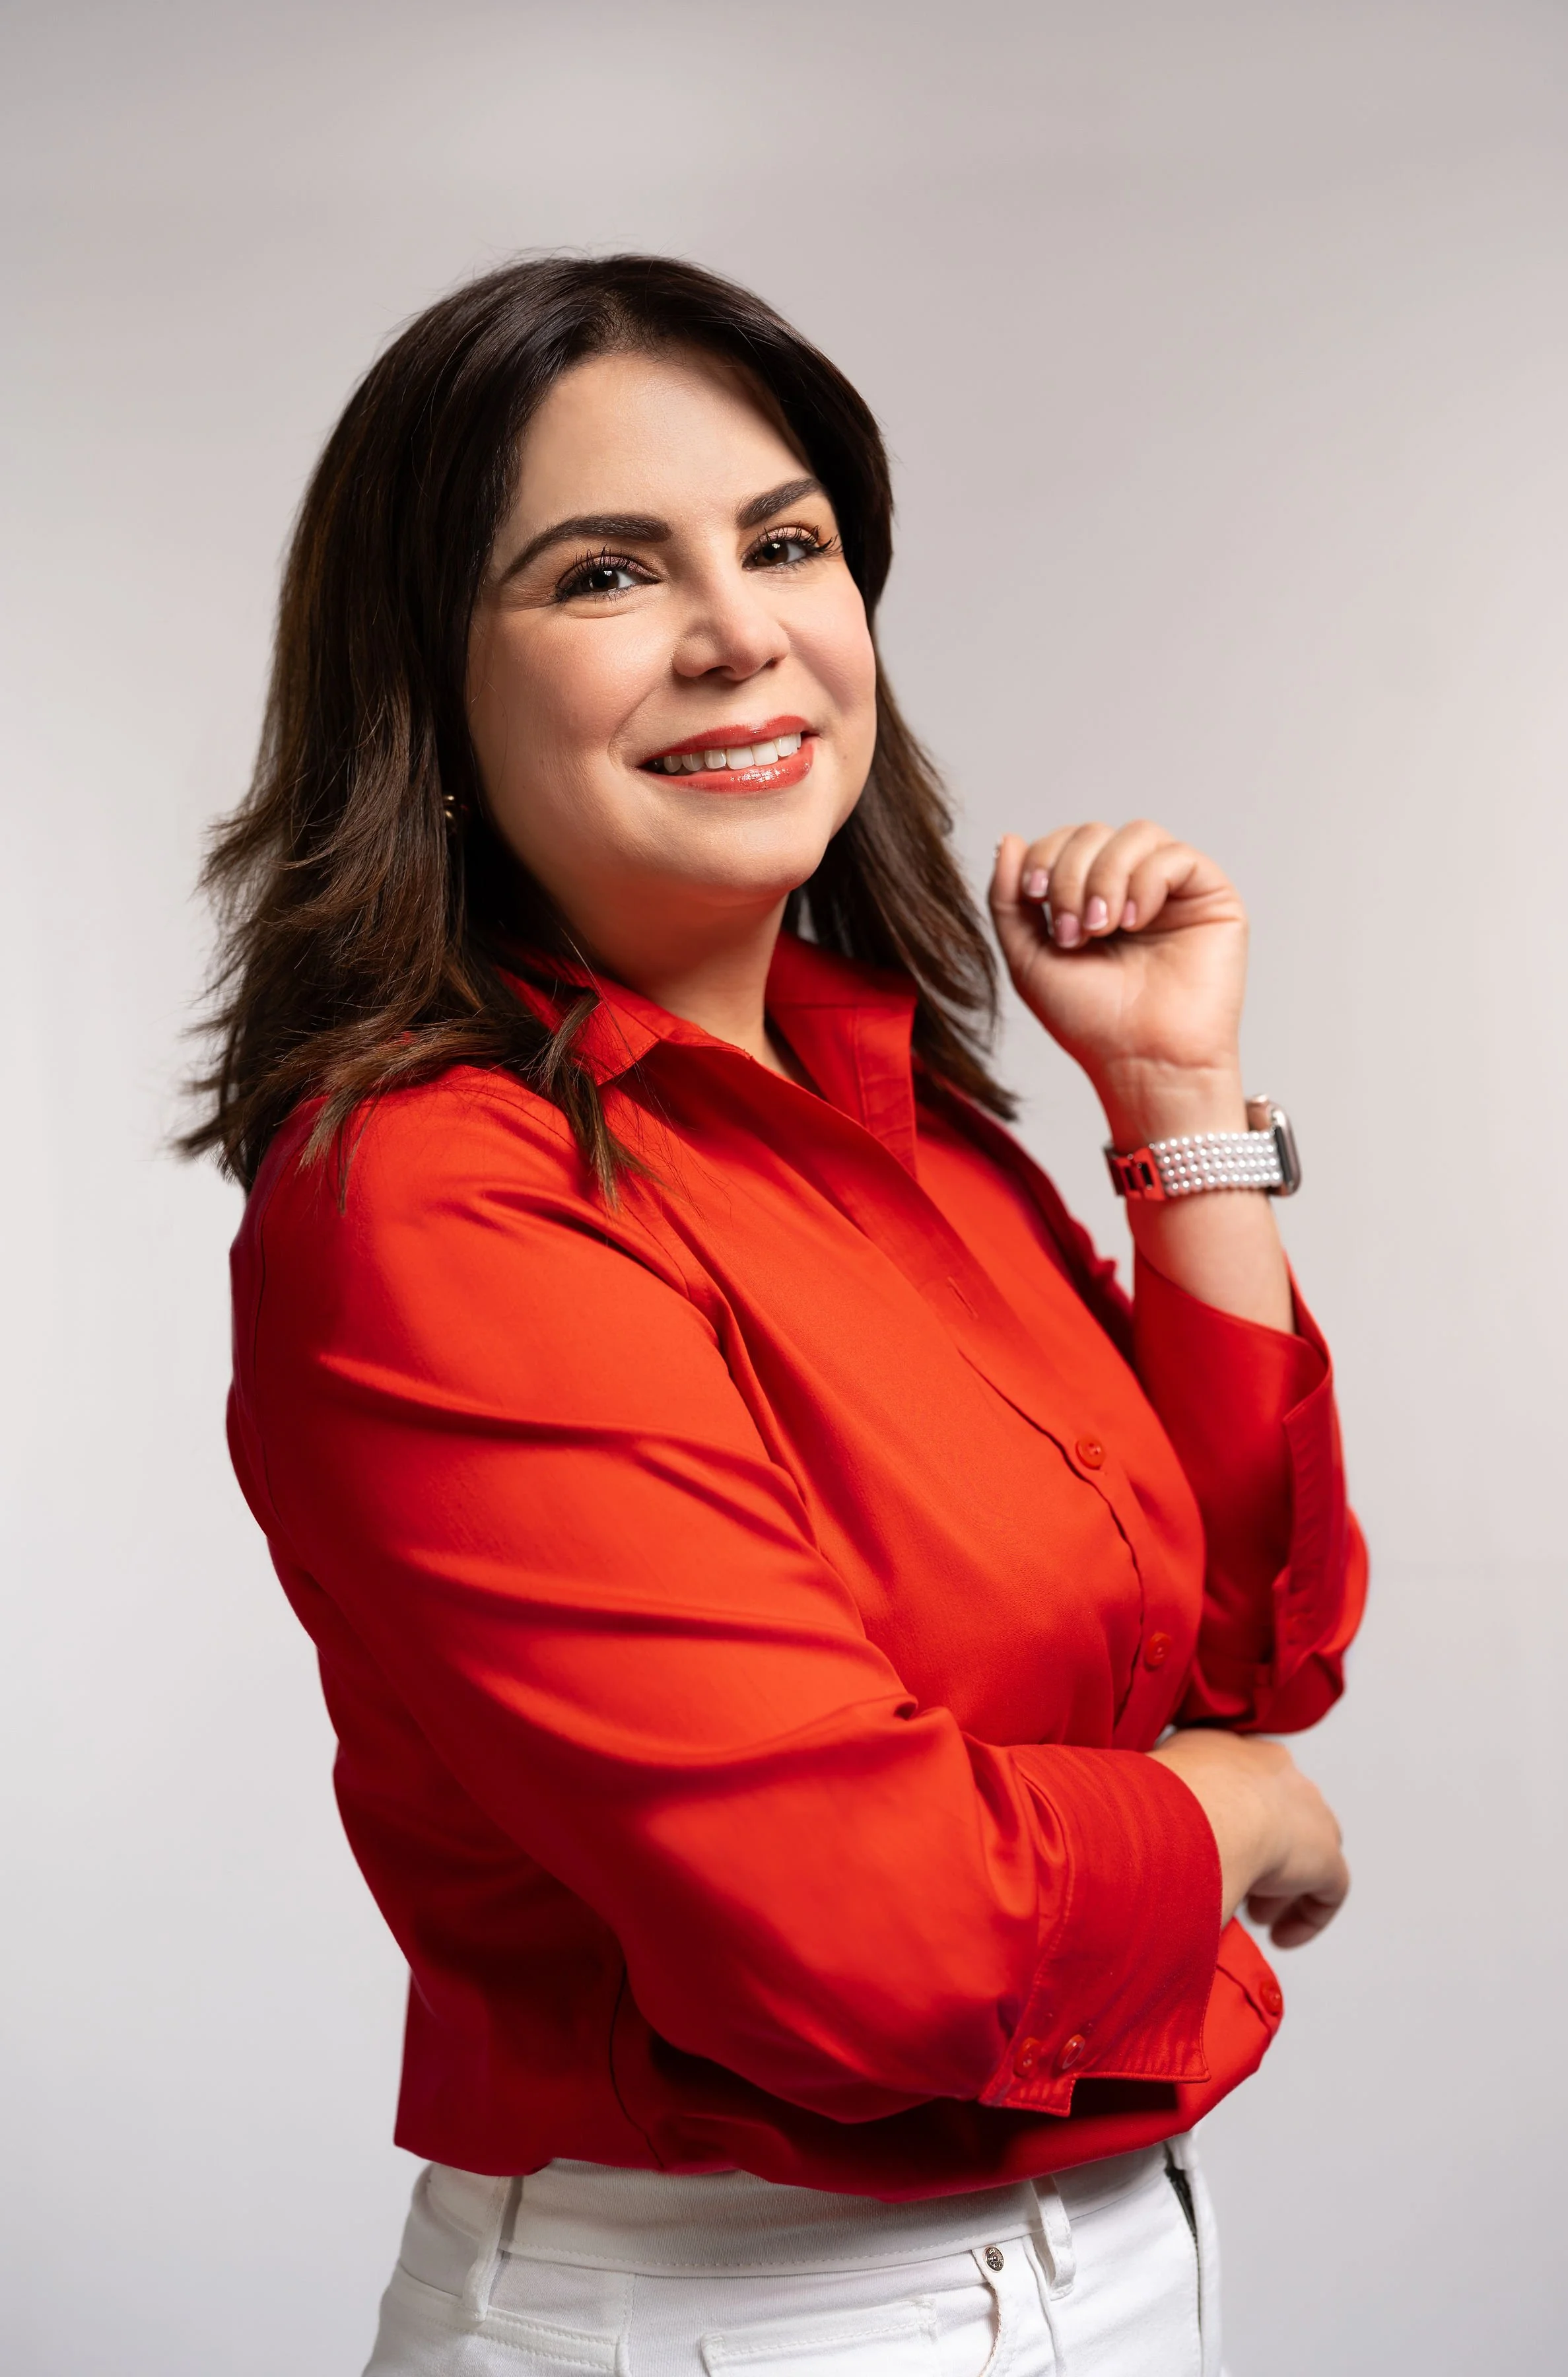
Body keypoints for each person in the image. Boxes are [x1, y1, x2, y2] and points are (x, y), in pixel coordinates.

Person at [186, 254, 1365, 2377]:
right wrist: (1232, 1824)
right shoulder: (435, 1198)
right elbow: (877, 1931)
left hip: (1114, 2261)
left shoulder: (886, 1105)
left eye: (789, 541)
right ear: (426, 688)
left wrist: (1176, 1104)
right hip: (751, 2316)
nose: (742, 630)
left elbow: (1245, 1645)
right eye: (606, 572)